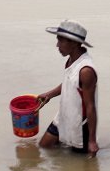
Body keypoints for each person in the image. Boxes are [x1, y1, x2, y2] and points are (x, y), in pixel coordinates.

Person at [36, 20, 99, 157]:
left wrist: (92, 140)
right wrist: (49, 95)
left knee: (78, 165)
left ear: (74, 43)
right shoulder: (72, 60)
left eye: (60, 41)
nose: (57, 45)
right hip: (64, 115)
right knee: (43, 146)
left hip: (79, 125)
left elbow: (90, 106)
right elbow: (70, 83)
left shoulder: (86, 70)